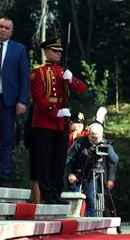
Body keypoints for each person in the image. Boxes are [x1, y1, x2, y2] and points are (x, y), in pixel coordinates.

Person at [29, 37, 87, 204]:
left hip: (61, 125)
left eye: (60, 51)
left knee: (59, 160)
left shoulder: (63, 71)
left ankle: (56, 194)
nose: (58, 54)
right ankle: (47, 195)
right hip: (44, 123)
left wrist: (72, 79)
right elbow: (38, 98)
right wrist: (55, 112)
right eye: (55, 51)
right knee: (45, 160)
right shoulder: (37, 72)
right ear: (46, 51)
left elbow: (81, 88)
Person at [0, 17, 30, 187]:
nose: (3, 30)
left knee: (6, 141)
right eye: (1, 26)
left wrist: (22, 100)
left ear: (11, 32)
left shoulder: (19, 49)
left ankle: (4, 180)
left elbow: (24, 77)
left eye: (7, 28)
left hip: (8, 102)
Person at [66, 121, 118, 217]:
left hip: (92, 177)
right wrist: (70, 173)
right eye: (93, 136)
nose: (96, 139)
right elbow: (68, 159)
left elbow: (114, 160)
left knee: (92, 204)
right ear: (89, 133)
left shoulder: (104, 142)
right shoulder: (80, 142)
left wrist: (107, 147)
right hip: (77, 177)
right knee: (75, 206)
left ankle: (89, 226)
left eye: (98, 136)